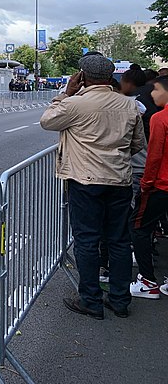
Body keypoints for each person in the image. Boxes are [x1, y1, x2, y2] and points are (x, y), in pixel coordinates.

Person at [41, 54, 145, 319]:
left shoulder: (75, 103)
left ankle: (91, 300)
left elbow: (47, 121)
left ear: (82, 76)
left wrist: (65, 94)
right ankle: (120, 301)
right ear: (111, 78)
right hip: (119, 181)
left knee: (87, 240)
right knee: (119, 241)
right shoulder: (129, 106)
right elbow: (137, 144)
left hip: (85, 181)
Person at [130, 76, 168, 298]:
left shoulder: (159, 119)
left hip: (160, 185)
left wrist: (146, 183)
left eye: (156, 90)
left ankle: (147, 281)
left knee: (139, 228)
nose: (152, 95)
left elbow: (153, 156)